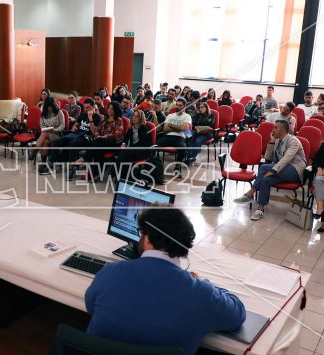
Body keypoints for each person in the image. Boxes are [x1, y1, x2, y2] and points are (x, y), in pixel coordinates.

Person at [85, 205, 246, 355]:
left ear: (147, 239)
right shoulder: (202, 295)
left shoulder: (110, 271)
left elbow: (91, 307)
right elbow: (238, 315)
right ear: (184, 246)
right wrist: (206, 284)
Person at [234, 120, 307, 220]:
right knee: (265, 180)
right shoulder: (277, 141)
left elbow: (286, 159)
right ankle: (260, 209)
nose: (272, 130)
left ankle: (251, 193)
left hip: (295, 170)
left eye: (275, 127)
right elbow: (268, 159)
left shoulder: (293, 141)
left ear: (283, 130)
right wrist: (272, 142)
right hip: (281, 170)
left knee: (264, 167)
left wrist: (273, 170)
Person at [73, 101, 124, 181]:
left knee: (99, 142)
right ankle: (97, 174)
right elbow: (97, 131)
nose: (109, 110)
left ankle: (84, 158)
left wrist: (104, 136)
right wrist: (97, 134)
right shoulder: (104, 119)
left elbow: (117, 134)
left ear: (116, 110)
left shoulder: (119, 120)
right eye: (109, 108)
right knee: (98, 148)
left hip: (114, 143)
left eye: (112, 109)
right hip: (101, 143)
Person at [55, 98, 102, 169]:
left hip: (87, 137)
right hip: (77, 134)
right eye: (85, 107)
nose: (86, 109)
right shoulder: (83, 114)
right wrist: (74, 127)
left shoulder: (97, 117)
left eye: (88, 107)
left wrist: (90, 118)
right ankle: (52, 161)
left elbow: (94, 132)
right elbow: (76, 124)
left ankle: (71, 167)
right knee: (59, 140)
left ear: (93, 106)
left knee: (72, 144)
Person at [117, 110, 154, 179]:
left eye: (137, 116)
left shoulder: (143, 127)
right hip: (134, 150)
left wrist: (130, 148)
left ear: (141, 118)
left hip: (144, 151)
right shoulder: (132, 127)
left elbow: (142, 143)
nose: (134, 118)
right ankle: (124, 176)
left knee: (125, 154)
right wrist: (124, 143)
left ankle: (119, 175)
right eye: (134, 116)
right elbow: (126, 137)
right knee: (125, 155)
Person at [34, 97, 66, 175]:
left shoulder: (59, 113)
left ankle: (34, 150)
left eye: (51, 106)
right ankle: (44, 164)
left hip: (57, 134)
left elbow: (63, 125)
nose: (49, 108)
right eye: (48, 106)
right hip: (46, 134)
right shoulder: (43, 114)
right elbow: (41, 126)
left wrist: (55, 130)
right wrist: (46, 129)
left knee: (44, 135)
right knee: (45, 142)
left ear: (54, 105)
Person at [155, 98, 191, 162]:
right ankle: (157, 162)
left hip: (180, 137)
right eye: (177, 105)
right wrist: (178, 128)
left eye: (180, 105)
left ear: (184, 106)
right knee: (155, 145)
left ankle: (177, 165)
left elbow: (183, 128)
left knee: (183, 148)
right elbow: (165, 129)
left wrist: (171, 125)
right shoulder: (170, 115)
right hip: (168, 136)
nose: (178, 107)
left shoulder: (187, 116)